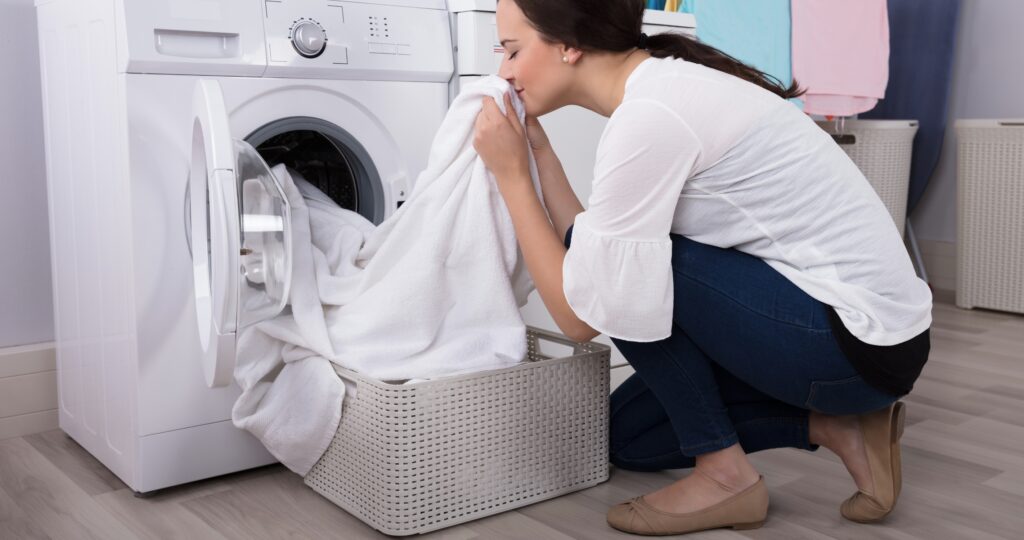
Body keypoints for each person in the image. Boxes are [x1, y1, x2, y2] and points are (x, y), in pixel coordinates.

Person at [472, 0, 931, 536]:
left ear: (569, 45)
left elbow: (583, 315)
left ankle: (725, 476)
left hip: (855, 343)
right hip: (854, 338)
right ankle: (841, 426)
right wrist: (539, 153)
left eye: (512, 51)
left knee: (626, 273)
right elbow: (589, 246)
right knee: (624, 437)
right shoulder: (661, 91)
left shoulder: (653, 115)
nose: (503, 71)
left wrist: (513, 179)